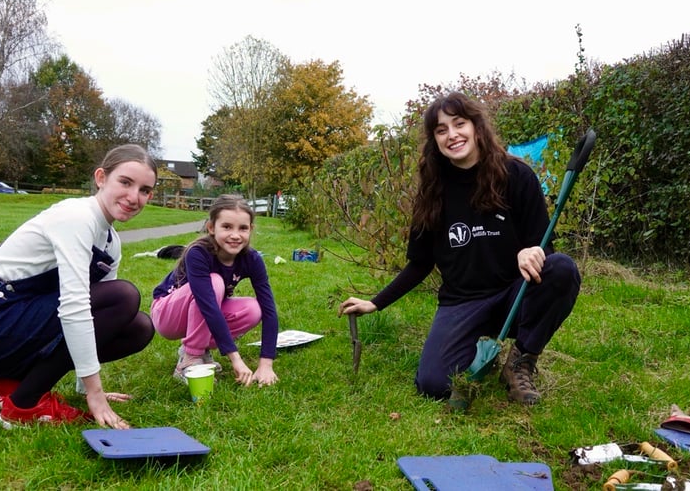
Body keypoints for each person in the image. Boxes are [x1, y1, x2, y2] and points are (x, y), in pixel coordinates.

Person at [338, 92, 581, 408]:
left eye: (459, 123)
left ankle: (520, 362)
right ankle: (481, 356)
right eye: (441, 130)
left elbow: (544, 245)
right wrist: (375, 303)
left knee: (561, 268)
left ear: (476, 126)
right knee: (434, 385)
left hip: (514, 295)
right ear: (435, 139)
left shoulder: (517, 175)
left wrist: (531, 251)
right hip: (463, 302)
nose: (452, 134)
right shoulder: (433, 192)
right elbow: (420, 263)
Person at [0, 144, 158, 429]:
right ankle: (22, 405)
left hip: (22, 324)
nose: (133, 196)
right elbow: (76, 306)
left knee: (138, 327)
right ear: (101, 177)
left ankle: (9, 383)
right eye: (125, 182)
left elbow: (100, 321)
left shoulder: (110, 241)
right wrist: (95, 393)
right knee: (123, 296)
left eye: (144, 190)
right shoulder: (76, 217)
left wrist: (82, 387)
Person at [151, 194, 279, 387]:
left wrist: (266, 363)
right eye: (227, 227)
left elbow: (269, 309)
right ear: (211, 228)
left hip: (200, 311)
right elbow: (209, 307)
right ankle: (190, 358)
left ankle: (198, 350)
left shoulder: (252, 259)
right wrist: (235, 359)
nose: (235, 235)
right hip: (167, 315)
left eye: (243, 228)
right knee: (215, 283)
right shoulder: (198, 253)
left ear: (251, 229)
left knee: (254, 309)